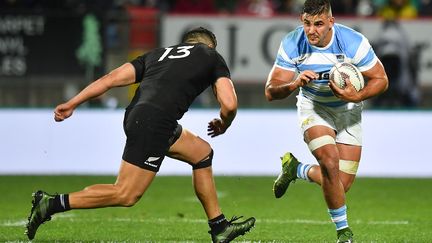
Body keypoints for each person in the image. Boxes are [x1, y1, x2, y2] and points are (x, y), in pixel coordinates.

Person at [25, 27, 255, 243]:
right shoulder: (211, 56)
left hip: (138, 115)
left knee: (201, 153)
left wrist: (72, 103)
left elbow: (111, 79)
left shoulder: (157, 55)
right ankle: (52, 203)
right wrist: (224, 123)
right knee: (126, 194)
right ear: (210, 46)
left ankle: (219, 227)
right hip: (155, 122)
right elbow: (230, 104)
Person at [264, 0, 388, 242]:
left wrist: (358, 95)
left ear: (331, 22)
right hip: (314, 107)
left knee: (341, 184)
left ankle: (296, 169)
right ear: (302, 20)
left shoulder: (353, 42)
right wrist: (294, 83)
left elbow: (381, 79)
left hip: (349, 111)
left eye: (319, 24)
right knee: (329, 163)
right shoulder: (292, 43)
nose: (312, 30)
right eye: (307, 24)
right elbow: (271, 91)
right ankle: (343, 232)